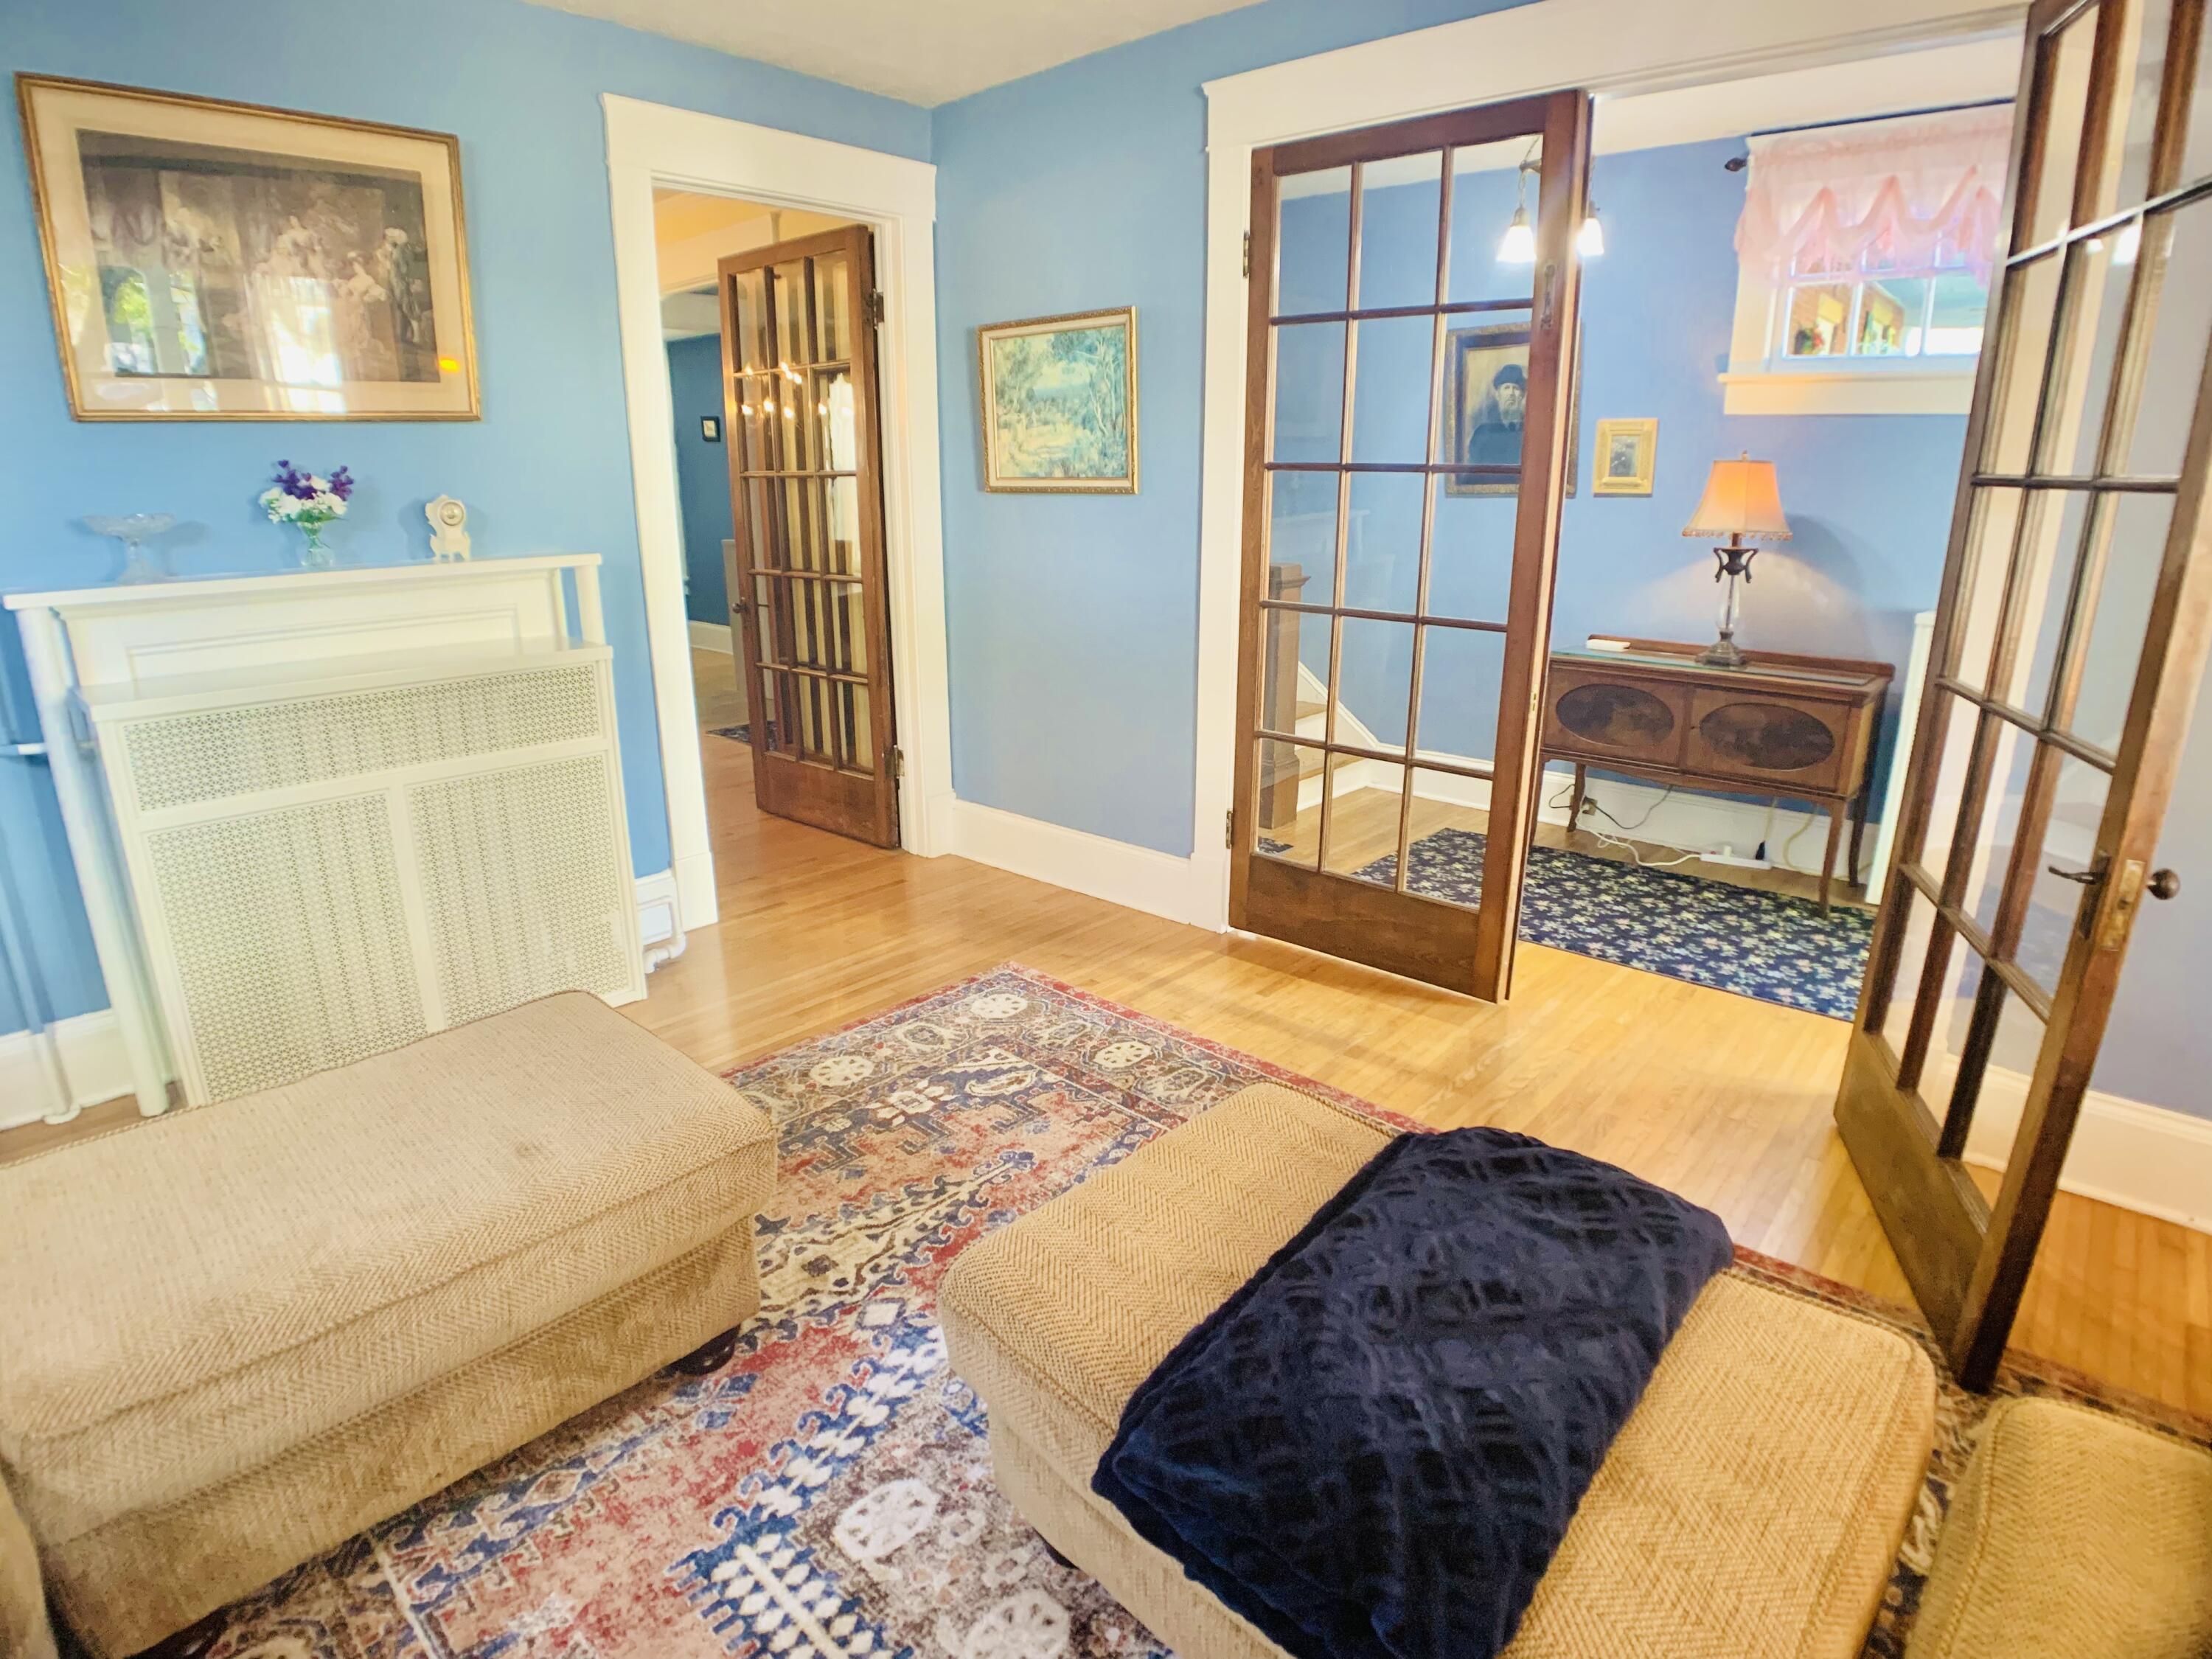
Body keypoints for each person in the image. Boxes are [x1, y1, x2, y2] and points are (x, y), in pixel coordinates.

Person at [1464, 360, 1526, 467]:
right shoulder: (1482, 434)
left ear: (1522, 395)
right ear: (1498, 395)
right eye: (1506, 388)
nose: (1511, 393)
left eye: (1516, 388)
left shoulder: (1531, 432)